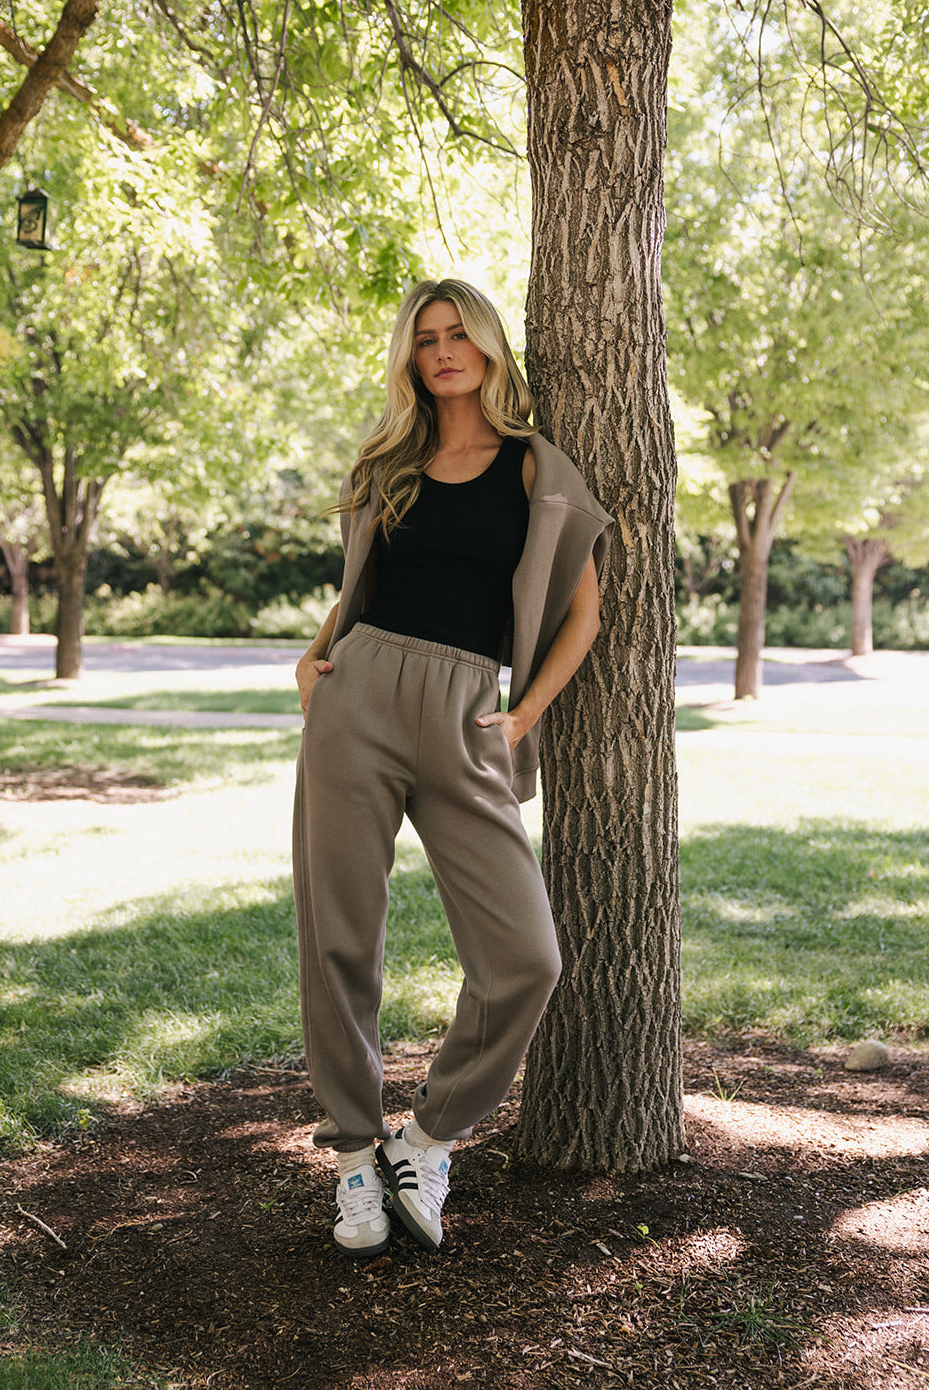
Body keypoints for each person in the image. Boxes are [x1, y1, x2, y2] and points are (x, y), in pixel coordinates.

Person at [293, 278, 614, 1258]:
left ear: (486, 347)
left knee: (526, 958)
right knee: (339, 938)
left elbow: (582, 614)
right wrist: (315, 657)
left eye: (457, 335)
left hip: (468, 710)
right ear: (412, 357)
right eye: (425, 339)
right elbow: (361, 587)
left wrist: (518, 720)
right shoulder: (386, 462)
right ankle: (353, 1155)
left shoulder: (531, 468)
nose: (442, 352)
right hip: (359, 696)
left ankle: (422, 1138)